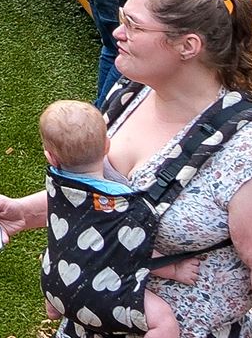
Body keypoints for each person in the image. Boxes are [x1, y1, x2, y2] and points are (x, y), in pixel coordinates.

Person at [0, 0, 252, 338]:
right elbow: (105, 197)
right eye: (122, 19)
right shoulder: (131, 92)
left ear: (187, 46)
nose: (118, 33)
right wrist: (23, 213)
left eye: (133, 25)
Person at [33, 99, 188, 338]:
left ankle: (55, 306)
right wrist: (175, 270)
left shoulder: (55, 184)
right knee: (164, 321)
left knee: (55, 248)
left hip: (55, 283)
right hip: (103, 299)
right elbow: (138, 250)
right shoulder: (121, 203)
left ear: (50, 158)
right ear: (107, 146)